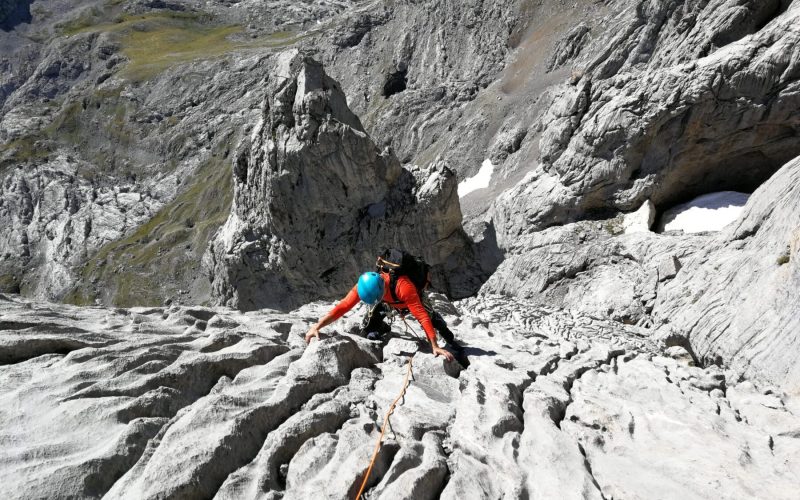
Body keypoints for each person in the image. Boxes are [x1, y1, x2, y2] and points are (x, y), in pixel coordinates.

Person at [304, 270, 462, 362]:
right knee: (367, 329)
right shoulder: (365, 286)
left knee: (432, 318)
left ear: (382, 288)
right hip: (388, 300)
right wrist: (317, 326)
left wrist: (434, 346)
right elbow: (343, 306)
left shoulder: (404, 287)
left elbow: (421, 316)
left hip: (410, 299)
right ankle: (383, 328)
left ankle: (450, 338)